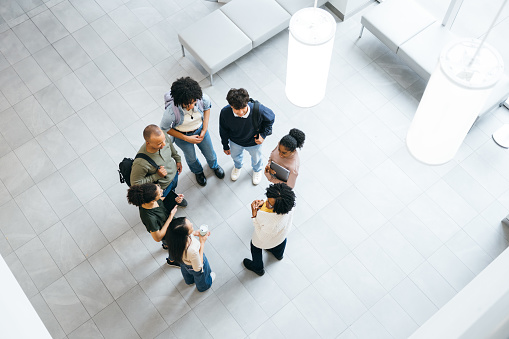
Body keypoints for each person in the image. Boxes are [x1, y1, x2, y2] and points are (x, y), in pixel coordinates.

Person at [161, 77, 224, 187]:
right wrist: (186, 138)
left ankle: (214, 166)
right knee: (191, 158)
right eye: (188, 104)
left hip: (200, 131)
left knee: (210, 153)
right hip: (182, 137)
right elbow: (165, 128)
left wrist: (204, 128)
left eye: (193, 102)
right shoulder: (171, 111)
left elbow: (207, 107)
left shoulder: (201, 98)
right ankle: (198, 172)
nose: (191, 106)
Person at [219, 88, 275, 185]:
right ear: (231, 106)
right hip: (235, 141)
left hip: (254, 142)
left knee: (256, 158)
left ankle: (257, 170)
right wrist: (225, 145)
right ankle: (238, 166)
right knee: (235, 156)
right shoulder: (225, 112)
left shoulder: (259, 109)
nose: (241, 112)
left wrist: (263, 135)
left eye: (243, 108)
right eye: (237, 109)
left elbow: (271, 118)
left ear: (247, 103)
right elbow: (223, 130)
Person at [243, 183, 296, 276]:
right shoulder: (289, 204)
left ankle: (258, 268)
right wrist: (264, 202)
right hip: (282, 235)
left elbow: (261, 237)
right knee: (280, 241)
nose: (266, 204)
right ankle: (278, 255)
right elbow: (274, 201)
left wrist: (254, 215)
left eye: (269, 205)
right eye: (267, 199)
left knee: (255, 246)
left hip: (267, 238)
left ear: (278, 208)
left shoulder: (271, 222)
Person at [126, 183, 182, 268]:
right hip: (167, 233)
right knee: (173, 248)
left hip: (167, 226)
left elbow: (161, 201)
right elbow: (157, 237)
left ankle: (165, 245)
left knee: (167, 243)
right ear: (152, 200)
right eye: (159, 193)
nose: (161, 190)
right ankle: (172, 260)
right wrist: (170, 216)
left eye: (158, 187)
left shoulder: (149, 200)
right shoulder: (149, 218)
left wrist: (175, 200)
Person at [130, 124, 187, 206]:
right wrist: (157, 176)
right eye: (159, 144)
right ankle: (171, 204)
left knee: (173, 190)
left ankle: (175, 197)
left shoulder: (163, 136)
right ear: (148, 143)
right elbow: (135, 184)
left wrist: (177, 159)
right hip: (163, 187)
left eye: (164, 140)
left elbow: (171, 148)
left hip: (174, 174)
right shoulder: (140, 162)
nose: (164, 144)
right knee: (166, 202)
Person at [167, 217, 216, 292]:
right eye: (191, 227)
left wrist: (193, 233)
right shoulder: (192, 250)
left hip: (183, 261)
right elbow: (198, 268)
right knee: (199, 275)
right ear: (185, 235)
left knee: (186, 270)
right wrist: (202, 242)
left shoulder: (173, 240)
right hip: (194, 263)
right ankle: (203, 286)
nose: (192, 224)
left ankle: (189, 281)